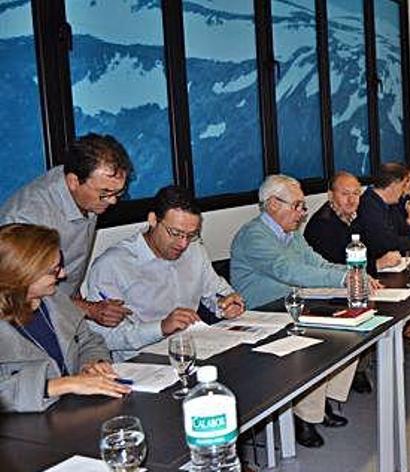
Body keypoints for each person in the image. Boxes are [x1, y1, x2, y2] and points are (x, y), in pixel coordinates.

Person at [230, 175, 360, 448]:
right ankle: (305, 416)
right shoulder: (253, 235)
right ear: (273, 204)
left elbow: (318, 263)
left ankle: (323, 401)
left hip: (292, 302)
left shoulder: (291, 235)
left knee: (352, 325)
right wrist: (342, 280)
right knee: (319, 336)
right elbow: (290, 271)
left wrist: (355, 273)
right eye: (298, 206)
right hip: (263, 314)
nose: (302, 213)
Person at [84, 186, 246, 362]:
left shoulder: (194, 250)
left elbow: (216, 291)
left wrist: (227, 303)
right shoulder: (113, 264)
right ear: (153, 220)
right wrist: (161, 327)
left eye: (191, 235)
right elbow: (105, 338)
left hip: (194, 351)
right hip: (143, 363)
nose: (183, 244)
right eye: (176, 233)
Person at [0, 134, 133, 327]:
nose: (112, 201)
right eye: (105, 194)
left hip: (63, 307)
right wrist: (89, 309)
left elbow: (73, 259)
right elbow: (24, 293)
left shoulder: (89, 195)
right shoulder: (28, 218)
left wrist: (79, 301)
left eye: (118, 193)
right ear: (73, 181)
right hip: (26, 316)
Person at [0, 223, 130, 413]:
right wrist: (60, 385)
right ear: (21, 275)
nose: (63, 274)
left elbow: (89, 341)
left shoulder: (55, 300)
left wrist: (93, 364)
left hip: (74, 412)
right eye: (53, 271)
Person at [303, 171, 399, 394]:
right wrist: (377, 266)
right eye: (345, 194)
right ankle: (353, 368)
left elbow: (370, 248)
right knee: (367, 305)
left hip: (352, 282)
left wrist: (375, 266)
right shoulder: (322, 224)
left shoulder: (354, 218)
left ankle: (359, 365)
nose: (352, 199)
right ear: (330, 196)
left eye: (356, 193)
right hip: (328, 290)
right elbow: (334, 263)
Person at [356, 163, 410, 346]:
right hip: (375, 271)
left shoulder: (388, 204)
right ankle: (403, 337)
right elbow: (387, 243)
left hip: (391, 265)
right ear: (393, 184)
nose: (404, 190)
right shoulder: (370, 205)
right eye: (403, 185)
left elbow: (402, 232)